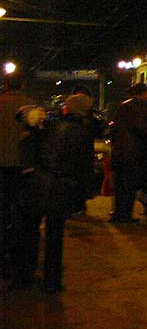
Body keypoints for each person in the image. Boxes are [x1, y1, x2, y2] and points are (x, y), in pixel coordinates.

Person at [17, 93, 96, 292]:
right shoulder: (83, 133)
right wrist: (83, 193)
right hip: (62, 187)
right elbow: (84, 167)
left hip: (39, 182)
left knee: (30, 230)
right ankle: (52, 280)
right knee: (54, 235)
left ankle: (25, 276)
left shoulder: (51, 127)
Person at [1, 74, 35, 273]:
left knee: (3, 205)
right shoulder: (29, 106)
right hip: (22, 164)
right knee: (20, 208)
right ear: (22, 85)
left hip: (1, 163)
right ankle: (18, 250)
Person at [109, 83, 147, 223]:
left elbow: (114, 128)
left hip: (120, 152)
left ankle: (118, 213)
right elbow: (144, 128)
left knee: (120, 185)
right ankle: (125, 215)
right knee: (129, 186)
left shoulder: (124, 106)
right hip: (132, 152)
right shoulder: (138, 108)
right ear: (141, 94)